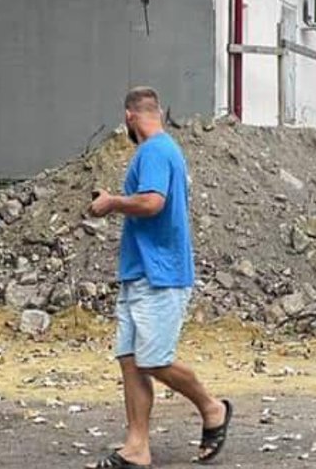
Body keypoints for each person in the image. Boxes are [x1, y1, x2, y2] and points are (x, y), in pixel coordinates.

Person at [88, 87, 231, 469]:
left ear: (130, 117)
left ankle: (212, 407)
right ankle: (137, 447)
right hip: (141, 272)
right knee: (131, 360)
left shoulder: (153, 150)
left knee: (152, 361)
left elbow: (152, 202)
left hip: (160, 275)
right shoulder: (160, 150)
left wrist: (112, 202)